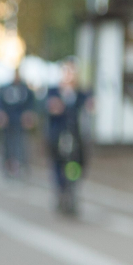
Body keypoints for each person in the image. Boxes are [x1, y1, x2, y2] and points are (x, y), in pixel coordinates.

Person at [43, 59, 90, 217]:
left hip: (75, 136)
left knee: (76, 164)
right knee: (58, 165)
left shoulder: (80, 93)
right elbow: (48, 108)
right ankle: (61, 192)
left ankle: (72, 191)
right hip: (58, 136)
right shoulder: (54, 91)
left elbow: (87, 106)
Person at [0, 67, 36, 179]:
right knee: (7, 145)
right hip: (7, 122)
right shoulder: (5, 88)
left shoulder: (25, 89)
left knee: (20, 145)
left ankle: (19, 165)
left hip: (19, 122)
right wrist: (1, 114)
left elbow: (30, 103)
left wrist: (28, 114)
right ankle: (7, 166)